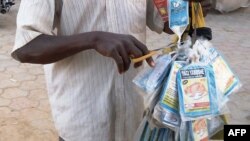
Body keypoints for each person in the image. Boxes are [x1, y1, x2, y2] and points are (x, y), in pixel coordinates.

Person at [11, 0, 211, 141]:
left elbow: (167, 22)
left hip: (134, 117)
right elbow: (26, 48)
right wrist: (94, 39)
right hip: (84, 122)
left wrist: (192, 8)